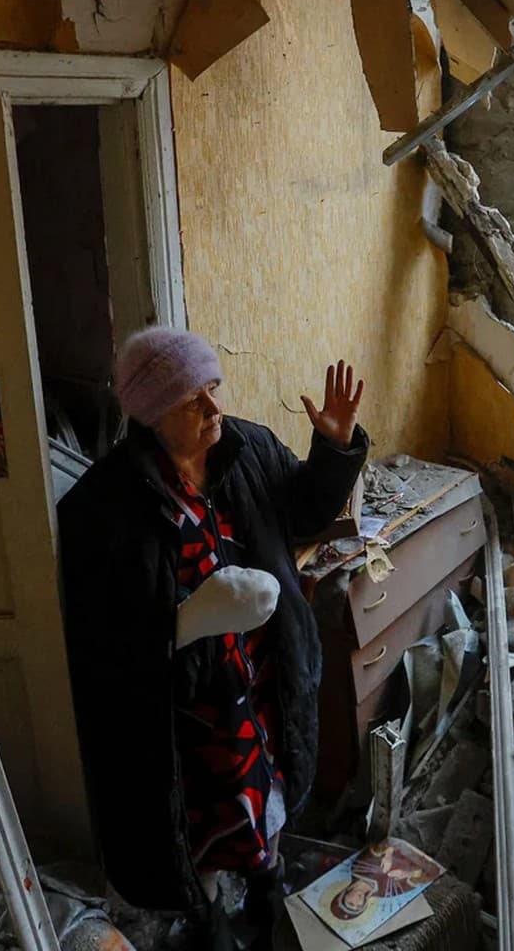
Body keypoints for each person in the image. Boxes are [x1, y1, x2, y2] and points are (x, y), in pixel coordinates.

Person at [56, 327, 368, 934]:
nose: (212, 407)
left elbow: (305, 512)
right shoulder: (103, 507)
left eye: (212, 388)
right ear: (150, 414)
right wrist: (191, 620)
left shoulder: (246, 447)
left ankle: (267, 889)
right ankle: (210, 919)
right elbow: (101, 638)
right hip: (188, 712)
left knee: (269, 796)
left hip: (265, 681)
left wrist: (334, 448)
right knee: (200, 824)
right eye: (191, 399)